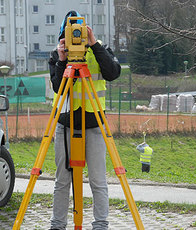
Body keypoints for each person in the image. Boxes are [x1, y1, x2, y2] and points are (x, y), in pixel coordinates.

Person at [48, 10, 121, 230]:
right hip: (66, 124)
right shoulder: (57, 54)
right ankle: (57, 224)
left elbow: (113, 72)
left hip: (94, 124)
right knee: (62, 181)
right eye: (70, 33)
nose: (74, 37)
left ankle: (100, 224)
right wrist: (62, 60)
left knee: (98, 180)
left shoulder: (99, 50)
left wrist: (94, 44)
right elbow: (57, 87)